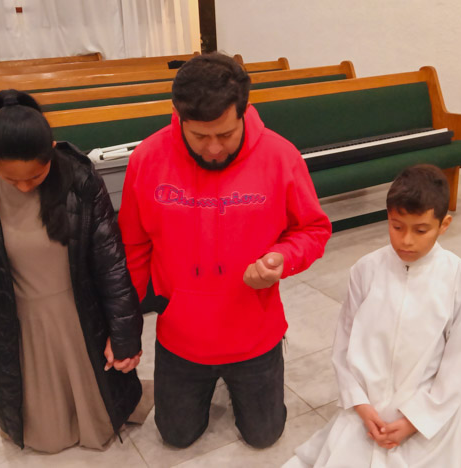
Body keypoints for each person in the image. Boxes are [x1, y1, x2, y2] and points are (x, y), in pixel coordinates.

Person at [117, 52, 332, 449]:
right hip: (181, 334)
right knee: (176, 436)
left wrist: (282, 258)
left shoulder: (280, 155)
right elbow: (133, 245)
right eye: (200, 136)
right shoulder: (148, 158)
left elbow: (313, 229)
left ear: (243, 112)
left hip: (254, 332)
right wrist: (125, 326)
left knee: (264, 436)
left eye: (226, 134)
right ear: (179, 116)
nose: (214, 148)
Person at [0, 89, 149, 453]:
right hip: (22, 318)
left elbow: (111, 263)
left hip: (79, 312)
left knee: (100, 402)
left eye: (34, 176)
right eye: (10, 178)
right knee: (44, 426)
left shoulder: (80, 179)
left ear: (51, 150)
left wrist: (124, 334)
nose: (23, 187)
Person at [284, 164, 461, 467]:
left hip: (429, 400)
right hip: (371, 399)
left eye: (421, 230)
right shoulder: (366, 270)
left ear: (444, 225)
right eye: (397, 226)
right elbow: (344, 344)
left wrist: (414, 421)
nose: (406, 240)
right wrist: (360, 404)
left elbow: (458, 363)